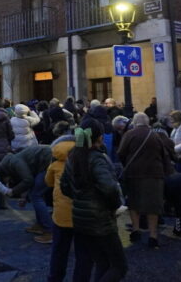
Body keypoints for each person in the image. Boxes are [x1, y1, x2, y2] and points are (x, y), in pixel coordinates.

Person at [60, 117, 126, 282]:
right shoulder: (96, 158)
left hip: (80, 219)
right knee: (119, 266)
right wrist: (114, 205)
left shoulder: (72, 156)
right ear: (99, 137)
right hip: (101, 220)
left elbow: (64, 187)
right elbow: (110, 188)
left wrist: (80, 198)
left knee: (102, 262)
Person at [117, 112, 174, 248]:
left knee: (134, 203)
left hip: (134, 173)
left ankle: (136, 230)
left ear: (134, 122)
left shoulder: (129, 134)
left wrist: (127, 164)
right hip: (154, 174)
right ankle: (153, 235)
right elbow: (164, 154)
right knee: (153, 205)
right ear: (147, 122)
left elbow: (121, 153)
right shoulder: (155, 135)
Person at [45, 129, 89, 282]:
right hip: (82, 214)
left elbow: (48, 182)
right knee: (83, 253)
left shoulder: (55, 165)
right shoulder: (87, 160)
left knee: (59, 251)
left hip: (61, 216)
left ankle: (55, 278)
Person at [0, 145, 54, 243]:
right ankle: (40, 225)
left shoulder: (14, 162)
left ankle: (50, 232)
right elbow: (32, 179)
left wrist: (12, 191)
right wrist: (25, 197)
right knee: (36, 195)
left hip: (48, 162)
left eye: (8, 180)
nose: (9, 182)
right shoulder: (13, 161)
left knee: (36, 196)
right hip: (47, 161)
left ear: (5, 173)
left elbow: (28, 180)